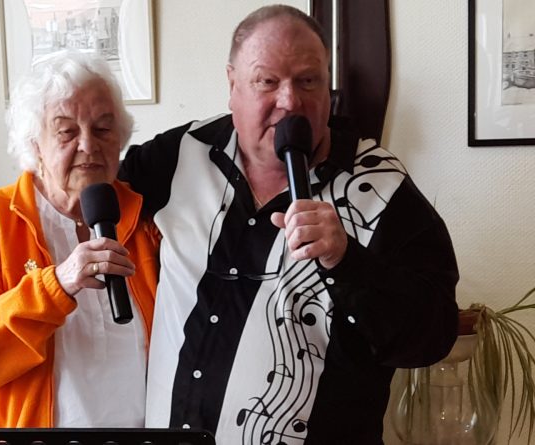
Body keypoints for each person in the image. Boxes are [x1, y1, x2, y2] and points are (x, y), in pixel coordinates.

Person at [118, 5, 459, 444]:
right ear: (232, 84)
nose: (290, 101)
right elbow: (88, 191)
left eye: (308, 80)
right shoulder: (182, 153)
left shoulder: (382, 190)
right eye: (267, 81)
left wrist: (348, 261)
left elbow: (433, 336)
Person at [0, 51, 159, 428]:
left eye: (102, 129)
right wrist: (57, 285)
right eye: (66, 131)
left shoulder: (150, 220)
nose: (88, 145)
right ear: (34, 144)